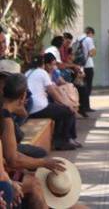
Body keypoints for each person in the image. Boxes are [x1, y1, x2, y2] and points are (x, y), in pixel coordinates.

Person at [2, 72, 65, 208]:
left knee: (32, 176)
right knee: (35, 184)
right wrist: (43, 163)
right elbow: (13, 159)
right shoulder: (5, 119)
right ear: (23, 96)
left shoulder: (5, 114)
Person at [25, 54, 81, 150]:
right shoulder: (42, 72)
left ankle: (57, 140)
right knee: (69, 112)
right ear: (43, 64)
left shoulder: (27, 73)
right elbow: (52, 91)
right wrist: (67, 104)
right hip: (40, 108)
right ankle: (64, 141)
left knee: (59, 111)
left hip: (30, 109)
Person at [75, 27, 96, 114]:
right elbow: (93, 52)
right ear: (90, 32)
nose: (93, 36)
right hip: (88, 65)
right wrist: (91, 52)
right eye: (93, 35)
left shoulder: (78, 39)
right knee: (88, 86)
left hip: (80, 66)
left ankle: (82, 106)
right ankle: (86, 107)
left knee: (82, 86)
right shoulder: (88, 39)